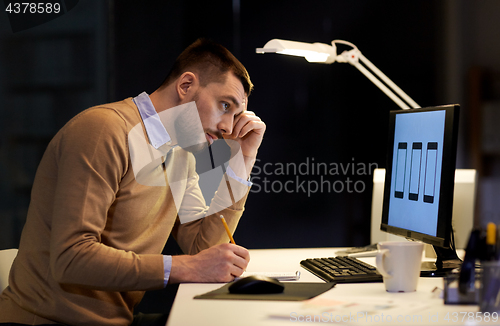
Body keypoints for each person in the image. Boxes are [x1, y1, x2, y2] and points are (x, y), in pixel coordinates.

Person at [0, 39, 266, 326]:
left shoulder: (180, 152)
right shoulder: (103, 130)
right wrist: (184, 267)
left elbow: (203, 252)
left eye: (236, 115)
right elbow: (71, 258)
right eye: (224, 105)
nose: (228, 127)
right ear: (186, 85)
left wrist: (244, 158)